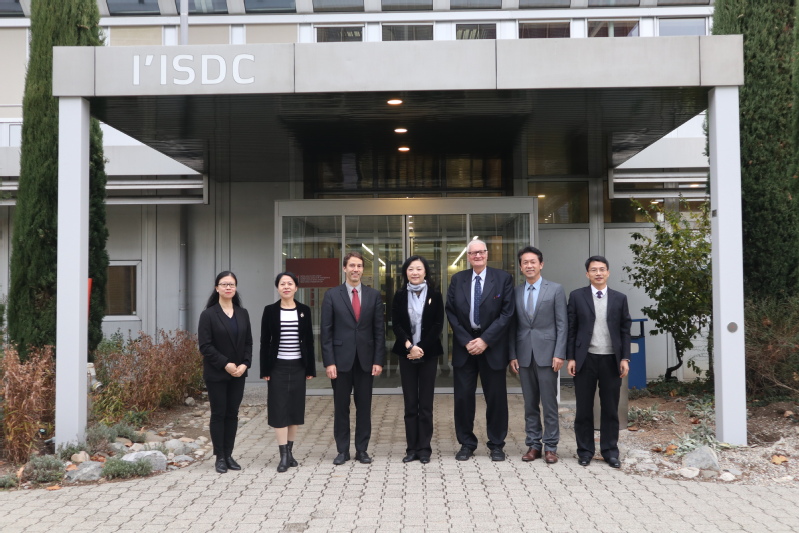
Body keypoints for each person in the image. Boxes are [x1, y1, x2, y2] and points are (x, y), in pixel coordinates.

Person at [445, 239, 514, 461]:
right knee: (463, 399)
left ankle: (497, 444)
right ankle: (466, 443)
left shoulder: (503, 278)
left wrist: (485, 340)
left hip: (492, 347)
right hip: (465, 348)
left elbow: (507, 313)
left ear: (487, 254)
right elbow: (451, 311)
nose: (477, 256)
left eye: (481, 252)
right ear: (468, 256)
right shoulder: (458, 279)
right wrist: (467, 340)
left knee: (496, 399)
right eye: (473, 253)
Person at [567, 256, 631, 468]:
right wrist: (571, 357)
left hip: (611, 360)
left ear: (608, 272)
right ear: (587, 274)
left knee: (610, 408)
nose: (598, 273)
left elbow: (625, 330)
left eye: (602, 269)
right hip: (585, 359)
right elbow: (571, 329)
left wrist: (625, 358)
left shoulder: (619, 298)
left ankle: (610, 452)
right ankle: (585, 451)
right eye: (593, 270)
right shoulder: (577, 296)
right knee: (584, 408)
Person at [321, 251, 385, 465]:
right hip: (340, 362)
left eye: (359, 266)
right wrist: (329, 362)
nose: (355, 269)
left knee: (364, 408)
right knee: (341, 408)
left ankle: (362, 450)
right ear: (344, 268)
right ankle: (342, 451)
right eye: (351, 265)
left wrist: (378, 360)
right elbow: (326, 332)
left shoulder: (373, 295)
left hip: (366, 361)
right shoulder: (332, 295)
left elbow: (379, 331)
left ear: (362, 270)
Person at [509, 246, 567, 464]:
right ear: (520, 267)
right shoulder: (515, 292)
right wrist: (512, 355)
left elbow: (562, 324)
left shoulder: (555, 289)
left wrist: (559, 353)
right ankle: (534, 444)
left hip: (548, 355)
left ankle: (551, 446)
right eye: (525, 262)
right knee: (529, 403)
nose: (529, 265)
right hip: (524, 354)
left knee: (549, 403)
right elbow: (513, 327)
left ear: (541, 264)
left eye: (533, 262)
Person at [260, 272, 316, 473]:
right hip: (277, 367)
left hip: (298, 366)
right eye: (282, 284)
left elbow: (309, 341)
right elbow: (265, 341)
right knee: (279, 409)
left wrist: (310, 368)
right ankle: (283, 455)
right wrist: (265, 369)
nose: (286, 287)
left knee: (294, 409)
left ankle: (290, 452)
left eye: (290, 283)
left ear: (296, 287)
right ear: (278, 288)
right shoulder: (270, 311)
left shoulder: (304, 310)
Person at [391, 255, 444, 464]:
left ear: (425, 272)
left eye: (419, 269)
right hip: (406, 354)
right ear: (406, 272)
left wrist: (420, 348)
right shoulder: (399, 295)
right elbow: (395, 323)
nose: (415, 272)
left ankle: (424, 448)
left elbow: (438, 325)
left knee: (426, 405)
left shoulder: (435, 294)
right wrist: (409, 346)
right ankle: (411, 448)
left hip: (428, 354)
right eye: (411, 269)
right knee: (411, 403)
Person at [197, 271, 252, 474]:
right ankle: (219, 457)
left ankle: (229, 455)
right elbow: (205, 346)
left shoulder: (242, 313)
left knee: (232, 414)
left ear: (235, 288)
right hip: (217, 373)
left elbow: (248, 343)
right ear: (217, 288)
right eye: (224, 284)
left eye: (232, 284)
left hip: (238, 373)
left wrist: (245, 364)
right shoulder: (209, 315)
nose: (228, 287)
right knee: (219, 414)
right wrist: (225, 364)